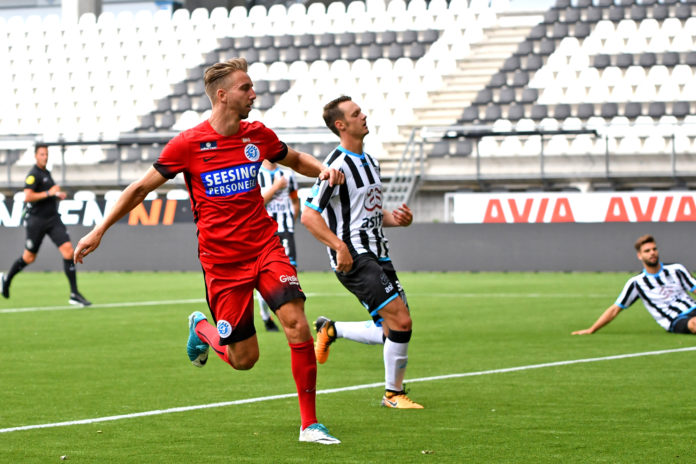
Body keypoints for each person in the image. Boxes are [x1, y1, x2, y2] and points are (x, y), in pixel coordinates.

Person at [73, 58, 343, 444]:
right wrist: (99, 230)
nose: (253, 94)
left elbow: (295, 158)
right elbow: (140, 189)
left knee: (297, 322)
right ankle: (202, 327)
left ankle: (310, 424)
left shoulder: (257, 134)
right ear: (222, 95)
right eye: (245, 88)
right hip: (223, 263)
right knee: (244, 360)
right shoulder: (188, 144)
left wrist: (321, 169)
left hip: (265, 246)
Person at [301, 96, 423, 409]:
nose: (363, 116)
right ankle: (393, 395)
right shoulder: (335, 167)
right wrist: (339, 246)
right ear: (341, 125)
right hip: (355, 257)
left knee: (391, 329)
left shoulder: (370, 162)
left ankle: (331, 329)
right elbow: (309, 215)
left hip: (379, 253)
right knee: (401, 321)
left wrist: (396, 219)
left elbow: (369, 212)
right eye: (356, 114)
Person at [1, 144, 91, 306]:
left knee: (68, 251)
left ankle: (74, 293)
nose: (45, 157)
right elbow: (28, 196)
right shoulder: (33, 174)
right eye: (42, 154)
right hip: (37, 221)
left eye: (46, 154)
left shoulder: (46, 173)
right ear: (36, 156)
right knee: (29, 257)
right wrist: (50, 192)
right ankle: (6, 280)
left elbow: (45, 196)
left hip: (53, 220)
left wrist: (56, 196)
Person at [572, 234, 696, 335]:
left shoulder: (676, 269)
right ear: (639, 256)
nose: (652, 253)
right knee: (694, 324)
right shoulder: (637, 283)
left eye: (654, 249)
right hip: (676, 319)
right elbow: (615, 309)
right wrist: (592, 329)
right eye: (647, 251)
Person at [256, 159, 300, 332]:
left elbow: (295, 201)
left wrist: (290, 222)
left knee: (290, 274)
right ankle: (265, 315)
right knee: (265, 277)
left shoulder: (288, 174)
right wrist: (275, 187)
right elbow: (256, 203)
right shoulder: (256, 174)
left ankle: (292, 315)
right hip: (265, 232)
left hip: (286, 231)